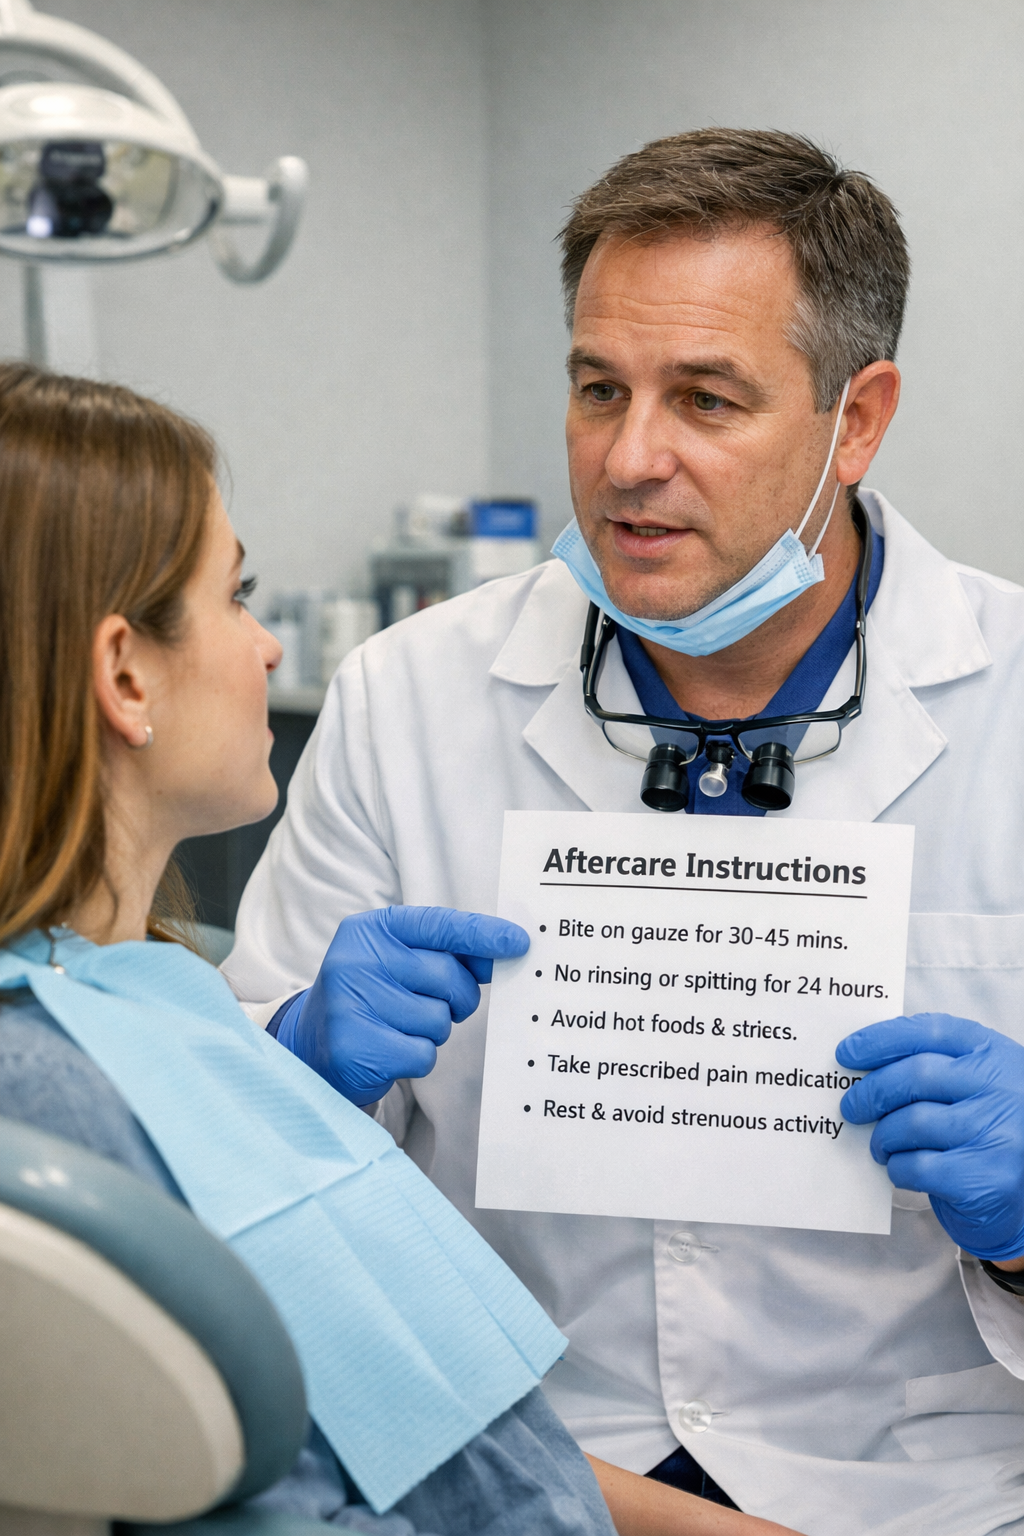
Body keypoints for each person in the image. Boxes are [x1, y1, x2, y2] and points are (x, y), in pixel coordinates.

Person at [224, 129, 1024, 1536]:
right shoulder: (410, 695)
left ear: (860, 418)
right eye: (600, 388)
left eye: (707, 400)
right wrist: (294, 1070)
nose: (630, 458)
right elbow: (235, 1194)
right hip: (519, 1460)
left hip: (919, 1492)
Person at [0, 364, 796, 1536]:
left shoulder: (146, 992)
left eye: (707, 401)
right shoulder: (58, 1088)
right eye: (238, 597)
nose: (268, 649)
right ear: (125, 672)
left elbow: (473, 1447)